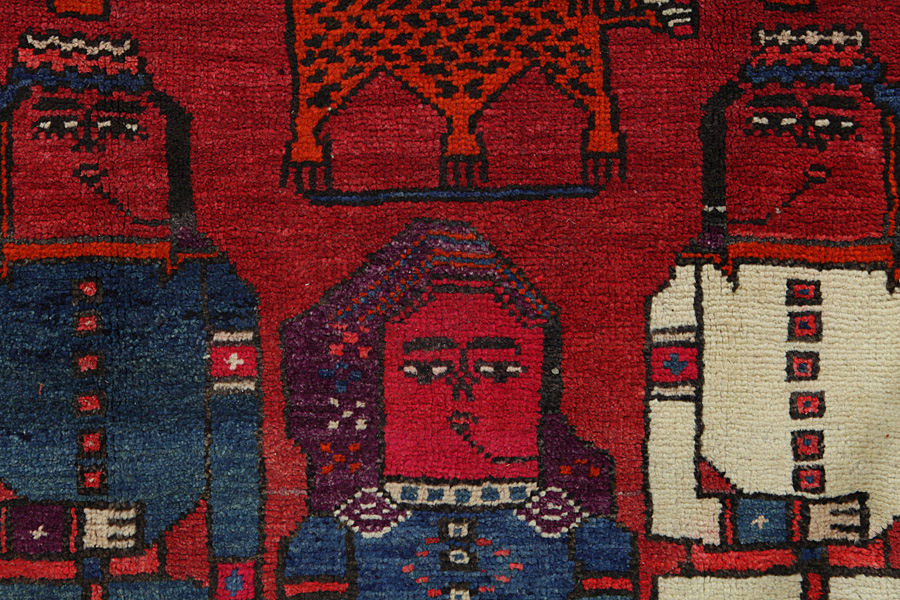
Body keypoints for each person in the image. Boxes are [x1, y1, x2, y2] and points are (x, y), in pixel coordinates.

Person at [0, 30, 262, 599]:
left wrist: (235, 577)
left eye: (120, 130)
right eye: (55, 128)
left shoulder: (211, 288)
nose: (89, 154)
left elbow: (236, 441)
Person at [645, 26, 900, 599]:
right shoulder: (690, 291)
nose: (809, 152)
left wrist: (878, 510)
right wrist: (791, 522)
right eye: (771, 126)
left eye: (838, 130)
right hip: (720, 573)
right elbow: (669, 489)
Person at [279, 219, 636, 600]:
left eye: (498, 370)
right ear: (372, 384)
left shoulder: (587, 535)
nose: (463, 392)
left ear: (543, 379)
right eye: (428, 370)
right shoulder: (332, 540)